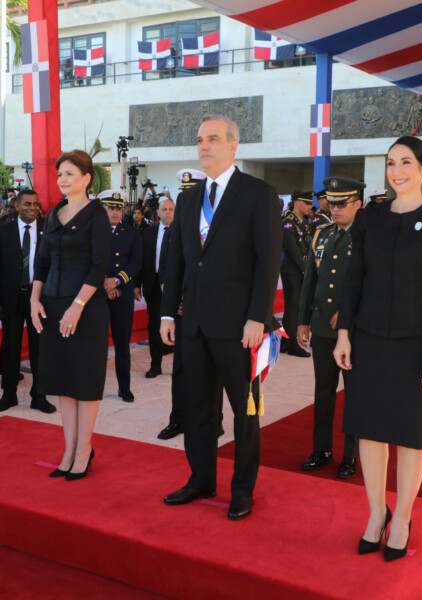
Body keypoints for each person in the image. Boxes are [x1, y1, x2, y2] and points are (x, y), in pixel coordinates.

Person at [334, 135, 422, 561]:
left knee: (411, 436)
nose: (397, 171)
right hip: (369, 340)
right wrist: (344, 332)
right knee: (370, 431)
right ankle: (376, 512)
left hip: (416, 343)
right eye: (391, 163)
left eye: (407, 162)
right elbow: (354, 277)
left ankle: (403, 518)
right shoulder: (371, 216)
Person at [160, 114, 281, 521]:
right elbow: (176, 260)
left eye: (212, 139)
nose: (204, 146)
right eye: (199, 140)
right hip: (193, 324)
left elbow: (267, 264)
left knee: (245, 412)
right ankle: (200, 479)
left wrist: (257, 318)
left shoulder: (258, 194)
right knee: (197, 408)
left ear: (233, 146)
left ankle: (242, 490)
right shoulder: (189, 197)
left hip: (239, 328)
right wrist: (166, 312)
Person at [31, 150, 111, 481]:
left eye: (69, 174)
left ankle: (84, 450)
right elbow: (43, 262)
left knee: (84, 380)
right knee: (63, 381)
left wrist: (77, 307)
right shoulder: (53, 214)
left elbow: (99, 266)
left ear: (86, 179)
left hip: (86, 307)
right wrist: (35, 299)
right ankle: (68, 449)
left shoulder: (97, 215)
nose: (62, 179)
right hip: (51, 303)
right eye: (59, 174)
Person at [297, 177, 364, 479]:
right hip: (322, 326)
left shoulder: (367, 236)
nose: (334, 209)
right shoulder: (321, 234)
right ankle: (321, 449)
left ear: (358, 203)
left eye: (342, 203)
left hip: (356, 331)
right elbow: (310, 280)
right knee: (323, 391)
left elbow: (374, 285)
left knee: (354, 395)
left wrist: (348, 314)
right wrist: (302, 320)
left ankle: (351, 456)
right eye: (331, 203)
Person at [153, 169, 225, 441]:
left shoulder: (214, 225)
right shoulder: (177, 226)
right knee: (181, 368)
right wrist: (173, 303)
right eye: (183, 192)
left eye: (191, 191)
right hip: (183, 311)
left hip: (210, 309)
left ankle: (213, 420)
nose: (187, 197)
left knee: (212, 368)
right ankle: (178, 419)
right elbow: (167, 271)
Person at [0, 189, 55, 414]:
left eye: (36, 204)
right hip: (11, 297)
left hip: (39, 298)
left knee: (41, 348)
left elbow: (55, 266)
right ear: (17, 206)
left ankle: (39, 395)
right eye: (27, 204)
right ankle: (9, 395)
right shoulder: (3, 231)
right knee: (11, 347)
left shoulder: (48, 231)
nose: (32, 208)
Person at [135, 175, 185, 380]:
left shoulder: (184, 234)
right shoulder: (148, 234)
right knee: (154, 324)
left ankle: (181, 368)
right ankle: (155, 365)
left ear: (176, 212)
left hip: (176, 287)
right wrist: (137, 285)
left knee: (179, 325)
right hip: (153, 285)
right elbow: (141, 261)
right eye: (164, 209)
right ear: (157, 212)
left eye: (171, 209)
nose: (167, 212)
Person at [99, 189, 142, 402]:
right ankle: (94, 386)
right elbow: (88, 260)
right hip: (97, 294)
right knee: (96, 344)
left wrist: (115, 281)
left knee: (122, 343)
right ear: (103, 208)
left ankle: (124, 387)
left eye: (118, 208)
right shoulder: (94, 231)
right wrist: (104, 283)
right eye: (110, 208)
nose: (115, 212)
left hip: (122, 293)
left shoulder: (131, 232)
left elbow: (135, 262)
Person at [280, 191, 313, 357]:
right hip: (292, 271)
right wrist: (305, 269)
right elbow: (292, 250)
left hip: (301, 270)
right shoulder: (288, 223)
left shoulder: (303, 223)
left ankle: (286, 341)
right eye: (307, 203)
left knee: (295, 307)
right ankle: (293, 344)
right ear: (298, 203)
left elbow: (307, 248)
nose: (309, 207)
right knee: (293, 307)